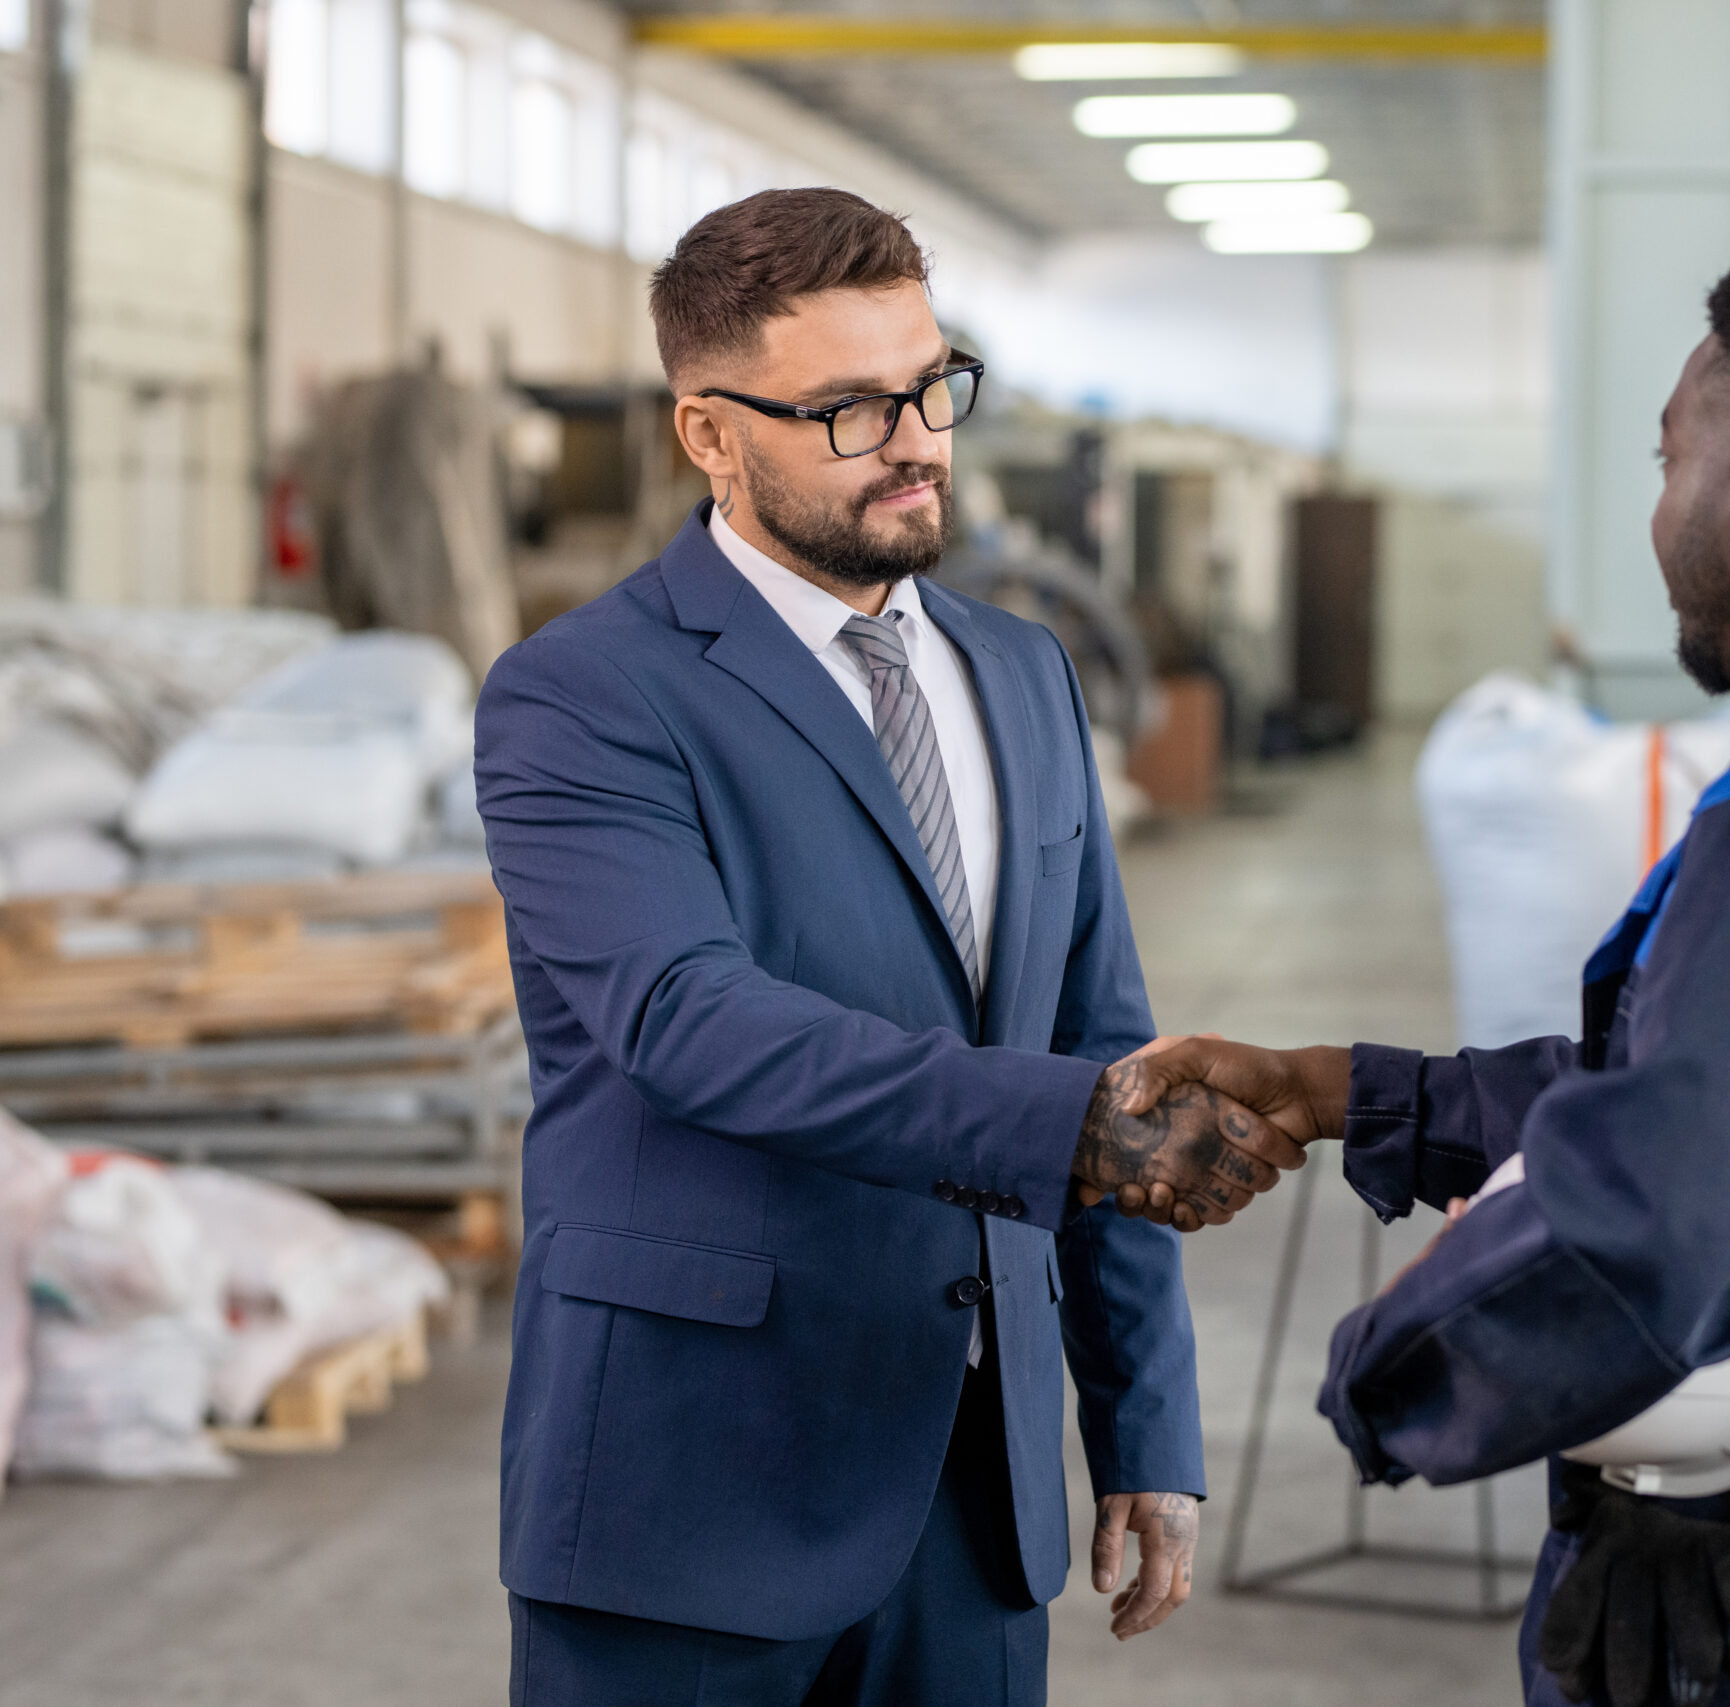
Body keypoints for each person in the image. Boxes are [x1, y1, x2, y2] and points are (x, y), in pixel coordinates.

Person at [1123, 236, 1730, 1705]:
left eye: (1672, 462)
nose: (1661, 512)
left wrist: (1379, 1374)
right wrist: (1345, 1091)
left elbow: (1637, 1226)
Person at [474, 187, 1298, 1707]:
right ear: (710, 434)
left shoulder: (1024, 673)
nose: (919, 438)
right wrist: (1083, 1133)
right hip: (692, 1491)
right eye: (851, 409)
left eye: (931, 384)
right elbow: (690, 1022)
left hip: (976, 1499)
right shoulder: (585, 697)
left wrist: (1145, 1425)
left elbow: (1102, 1042)